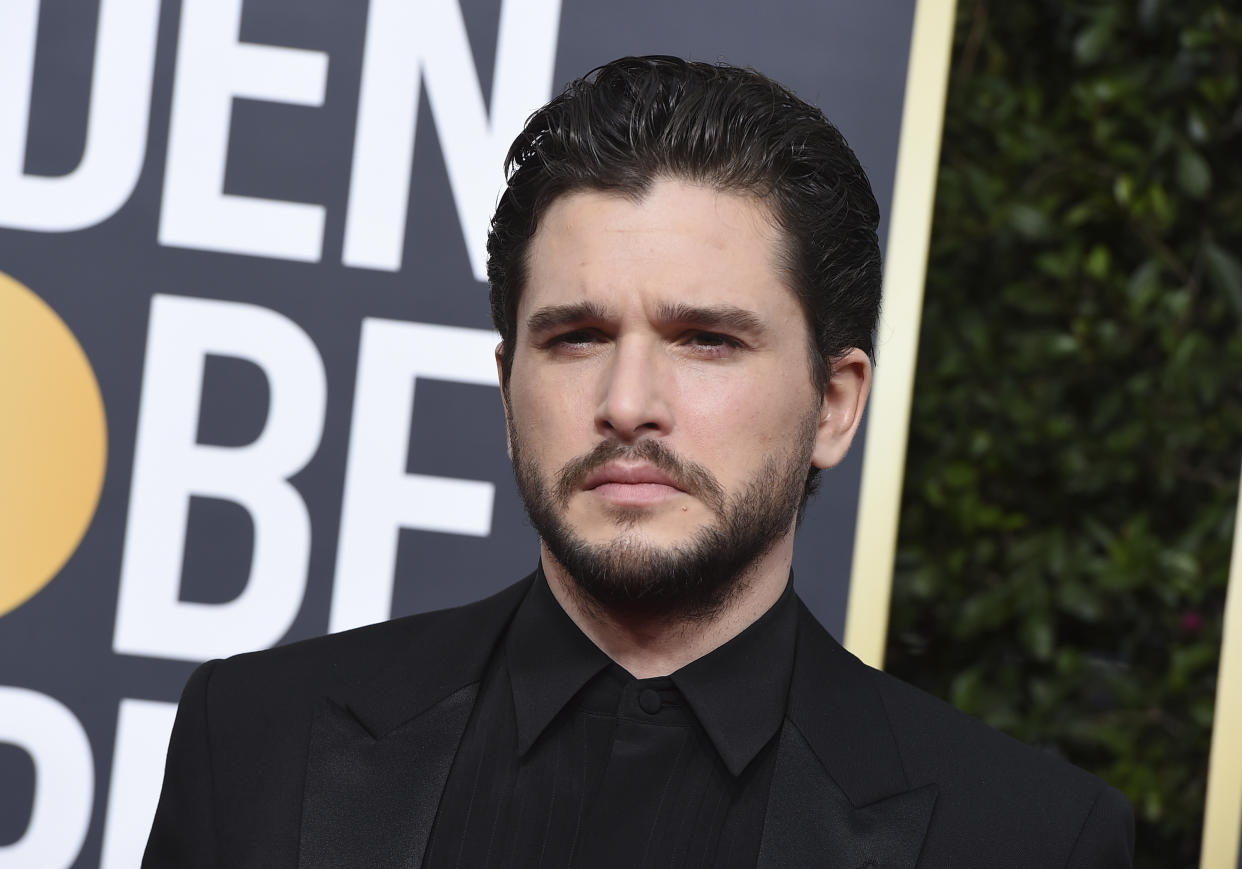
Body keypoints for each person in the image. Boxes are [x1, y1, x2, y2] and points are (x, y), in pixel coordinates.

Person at [143, 56, 1134, 868]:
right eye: (575, 335)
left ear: (835, 404)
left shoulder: (1025, 838)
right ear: (507, 381)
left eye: (704, 338)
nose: (627, 404)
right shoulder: (255, 741)